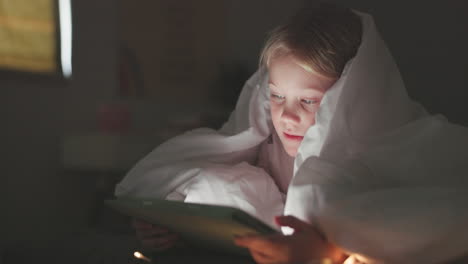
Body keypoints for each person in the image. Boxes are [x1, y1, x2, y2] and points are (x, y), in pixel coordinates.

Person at [116, 2, 468, 264]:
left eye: (309, 101)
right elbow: (207, 183)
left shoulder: (387, 145)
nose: (287, 115)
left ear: (347, 100)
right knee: (214, 181)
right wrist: (170, 221)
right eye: (277, 95)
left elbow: (432, 219)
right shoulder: (265, 141)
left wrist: (329, 248)